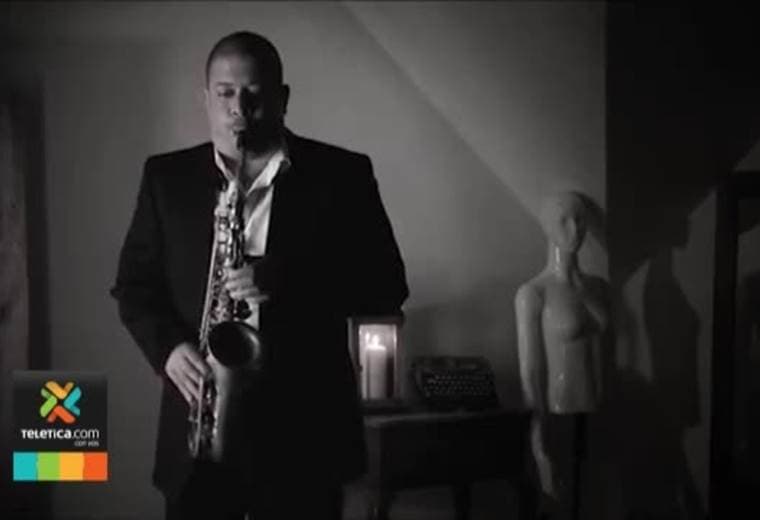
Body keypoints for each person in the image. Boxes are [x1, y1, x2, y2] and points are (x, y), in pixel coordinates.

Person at [110, 31, 409, 520]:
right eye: (225, 93)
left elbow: (388, 285)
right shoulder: (166, 178)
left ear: (282, 98)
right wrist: (168, 350)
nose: (239, 110)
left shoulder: (343, 175)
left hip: (305, 430)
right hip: (200, 425)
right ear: (206, 98)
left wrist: (289, 280)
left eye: (254, 93)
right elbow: (133, 287)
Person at [514, 191, 609, 520]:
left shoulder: (598, 287)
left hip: (598, 406)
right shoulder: (534, 292)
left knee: (595, 500)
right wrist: (537, 439)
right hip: (559, 408)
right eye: (564, 221)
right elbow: (529, 369)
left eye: (580, 220)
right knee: (561, 502)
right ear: (547, 227)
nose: (574, 229)